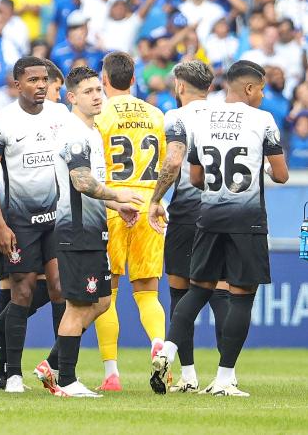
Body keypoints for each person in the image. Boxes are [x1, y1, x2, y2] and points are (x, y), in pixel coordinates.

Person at [151, 60, 289, 397]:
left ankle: (168, 350)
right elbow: (282, 174)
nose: (262, 95)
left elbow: (195, 177)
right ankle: (225, 378)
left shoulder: (205, 119)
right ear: (250, 88)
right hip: (247, 220)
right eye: (261, 89)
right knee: (240, 297)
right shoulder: (263, 120)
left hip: (207, 218)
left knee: (197, 289)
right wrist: (264, 172)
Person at [34, 66, 143, 397]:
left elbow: (92, 185)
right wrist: (118, 194)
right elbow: (81, 181)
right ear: (71, 97)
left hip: (94, 228)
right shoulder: (73, 133)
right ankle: (66, 379)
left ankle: (51, 366)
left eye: (99, 89)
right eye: (89, 92)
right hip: (75, 230)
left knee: (102, 301)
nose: (98, 96)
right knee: (77, 307)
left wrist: (115, 206)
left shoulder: (93, 133)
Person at [0, 56, 67, 393]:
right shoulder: (1, 122)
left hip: (54, 217)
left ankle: (62, 371)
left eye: (44, 79)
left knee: (58, 286)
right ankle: (12, 373)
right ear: (17, 84)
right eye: (33, 80)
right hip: (17, 220)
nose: (40, 85)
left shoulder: (60, 114)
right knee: (22, 289)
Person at [148, 60, 232, 393]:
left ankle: (189, 374)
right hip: (222, 208)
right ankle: (227, 375)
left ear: (180, 86)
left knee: (180, 291)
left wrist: (156, 199)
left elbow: (173, 159)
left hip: (186, 210)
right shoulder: (225, 114)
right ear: (209, 87)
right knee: (223, 292)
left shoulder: (176, 117)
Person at [93, 51, 167, 391]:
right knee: (148, 293)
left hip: (112, 204)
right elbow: (168, 166)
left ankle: (112, 372)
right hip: (150, 205)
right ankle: (158, 345)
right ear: (134, 79)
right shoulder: (156, 114)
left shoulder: (99, 113)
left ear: (104, 80)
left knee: (106, 293)